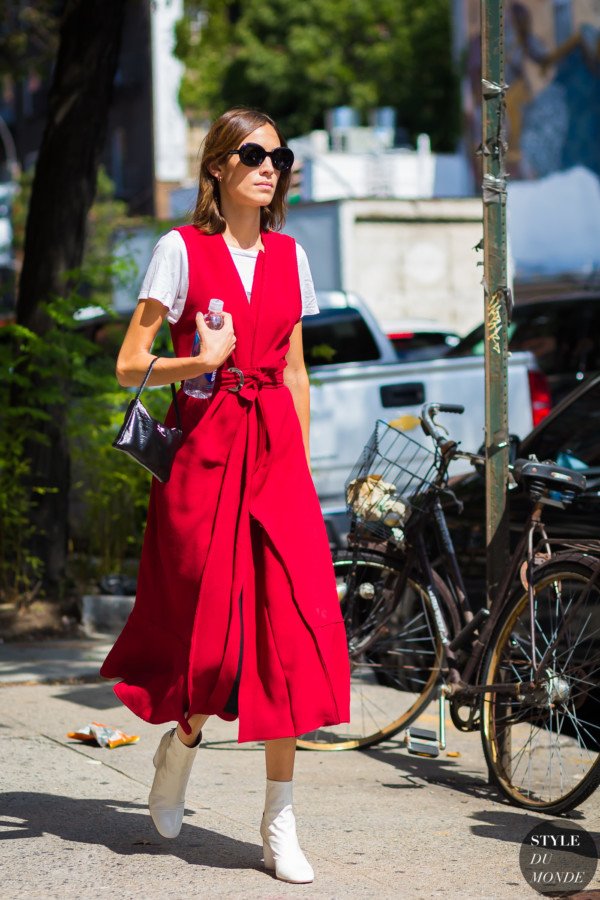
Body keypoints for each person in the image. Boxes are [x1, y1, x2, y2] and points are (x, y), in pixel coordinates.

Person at [100, 107, 350, 884]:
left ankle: (279, 822)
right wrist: (199, 359)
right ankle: (182, 743)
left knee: (290, 637)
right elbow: (128, 363)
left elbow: (298, 370)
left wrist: (299, 468)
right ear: (217, 166)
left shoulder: (291, 255)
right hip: (205, 456)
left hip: (275, 453)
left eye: (280, 155)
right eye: (252, 153)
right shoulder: (180, 251)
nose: (268, 166)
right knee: (210, 637)